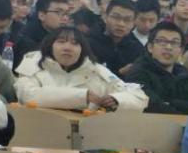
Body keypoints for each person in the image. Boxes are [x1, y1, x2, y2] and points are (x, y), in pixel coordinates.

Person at [15, 26, 148, 112]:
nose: (67, 48)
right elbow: (28, 95)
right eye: (61, 42)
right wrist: (82, 96)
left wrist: (117, 99)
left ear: (82, 49)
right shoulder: (33, 62)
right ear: (50, 46)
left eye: (75, 43)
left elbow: (139, 97)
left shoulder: (95, 69)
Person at [122, 22, 188, 114]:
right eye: (162, 41)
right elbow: (150, 106)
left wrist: (172, 103)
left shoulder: (186, 75)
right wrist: (180, 106)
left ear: (181, 50)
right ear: (150, 47)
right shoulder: (138, 72)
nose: (168, 47)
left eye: (174, 43)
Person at [87, 0, 144, 75]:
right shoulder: (88, 44)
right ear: (105, 17)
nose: (121, 24)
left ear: (134, 23)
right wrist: (120, 73)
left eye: (127, 20)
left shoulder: (137, 48)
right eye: (116, 17)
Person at [13, 0, 71, 66]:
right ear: (42, 15)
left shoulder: (69, 38)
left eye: (67, 13)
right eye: (58, 12)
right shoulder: (25, 41)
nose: (65, 18)